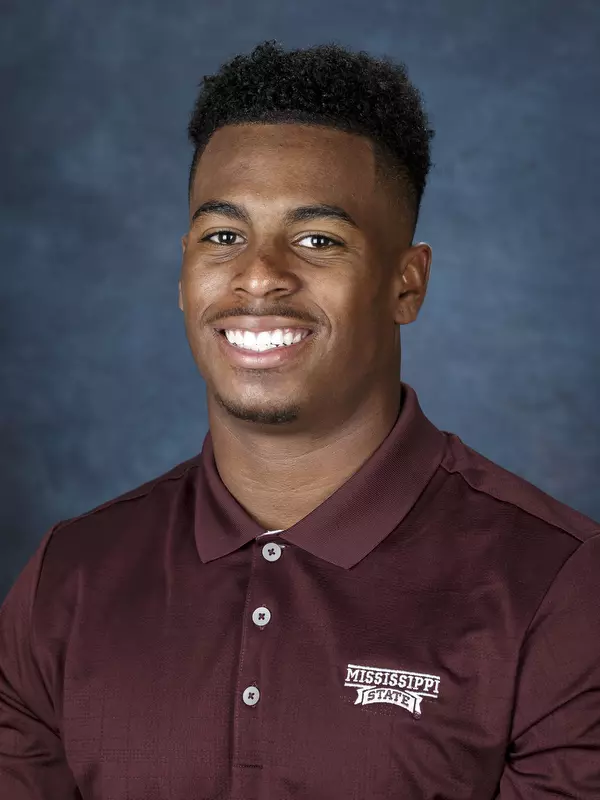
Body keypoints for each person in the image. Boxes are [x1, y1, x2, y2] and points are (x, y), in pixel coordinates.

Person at [1, 38, 599, 800]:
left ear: (405, 284)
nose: (258, 275)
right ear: (184, 271)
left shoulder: (560, 586)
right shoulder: (69, 578)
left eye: (318, 240)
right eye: (223, 236)